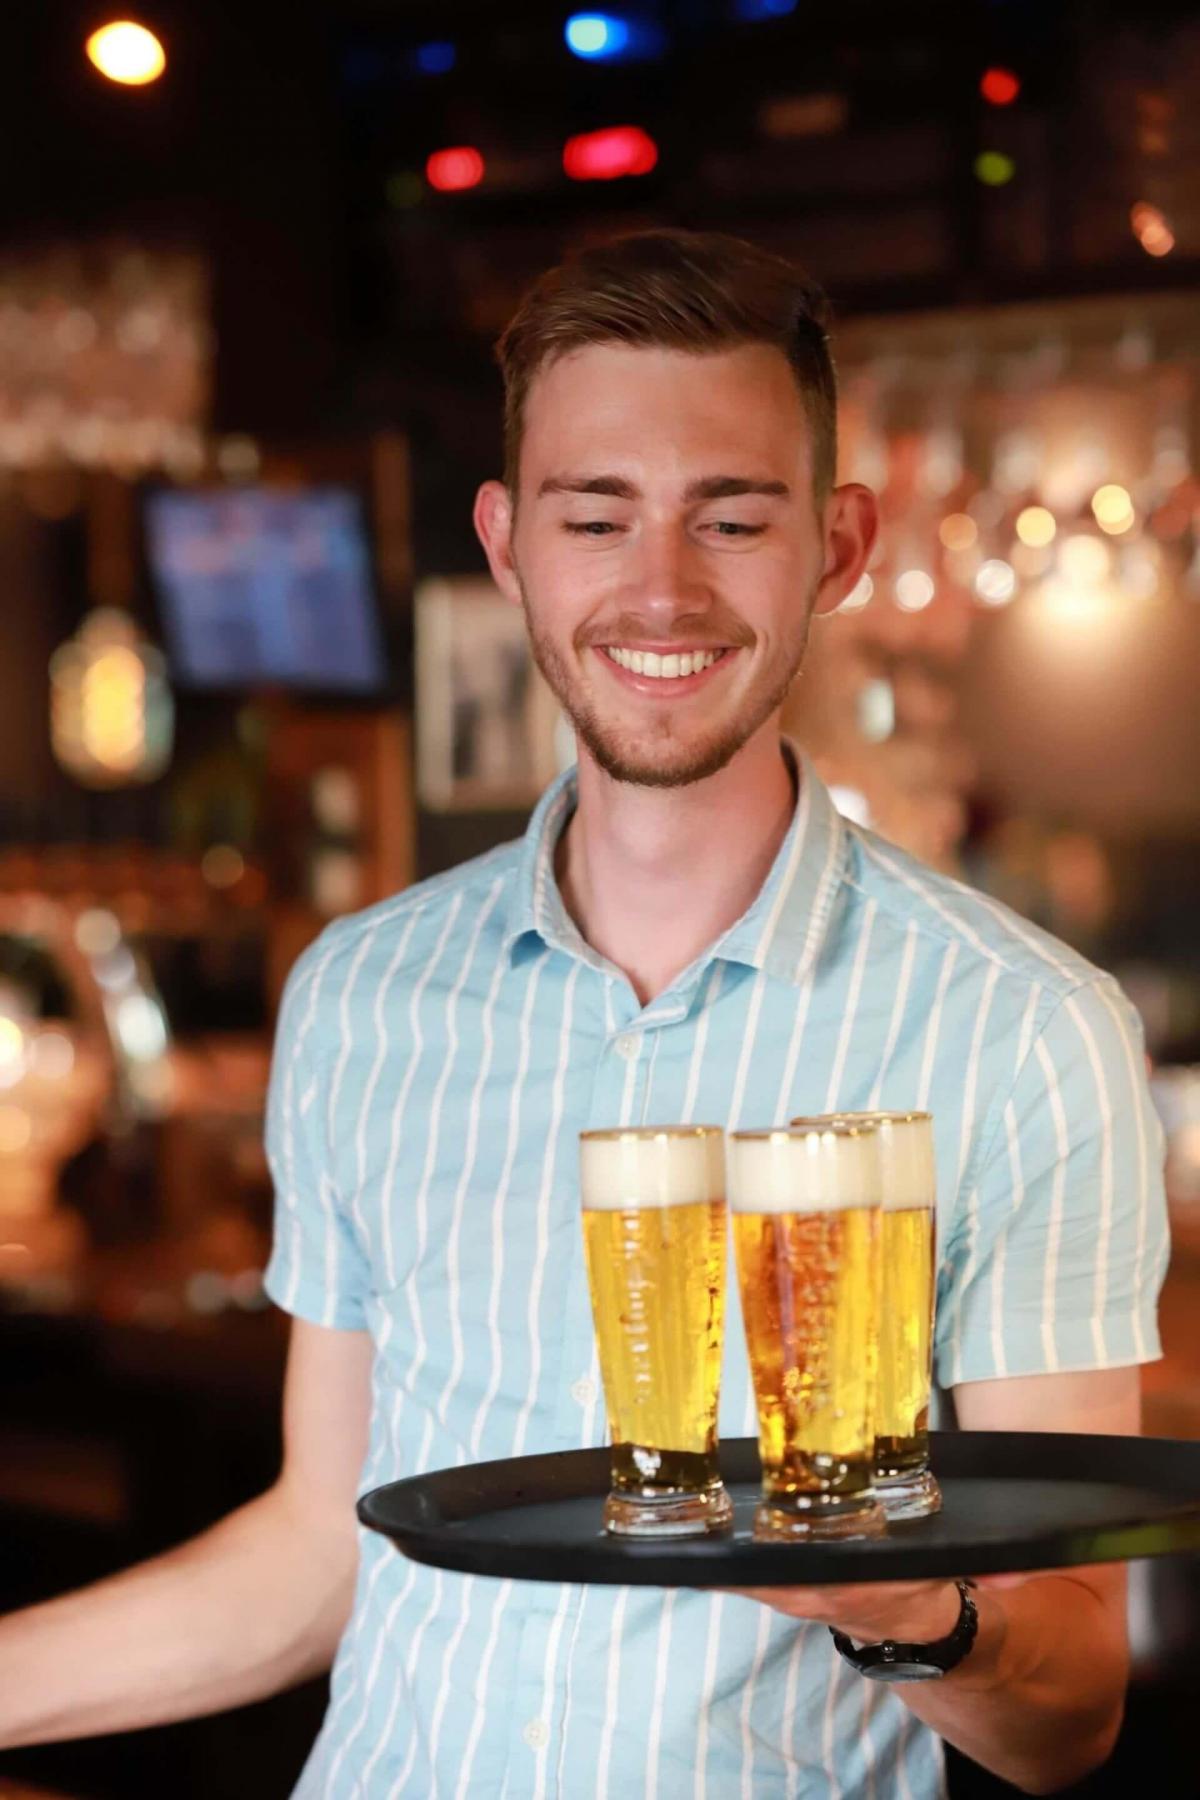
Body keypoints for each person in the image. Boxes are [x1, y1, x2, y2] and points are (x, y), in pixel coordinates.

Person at [0, 230, 1169, 1797]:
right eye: (596, 517)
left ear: (835, 545)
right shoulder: (363, 995)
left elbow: (1070, 1702)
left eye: (731, 518)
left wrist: (910, 1618)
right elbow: (314, 1548)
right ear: (507, 546)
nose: (662, 589)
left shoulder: (1021, 1034)